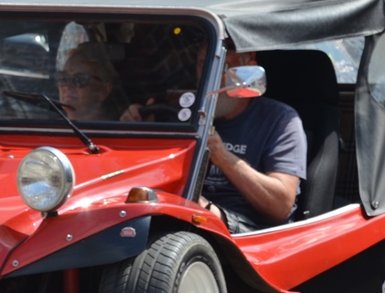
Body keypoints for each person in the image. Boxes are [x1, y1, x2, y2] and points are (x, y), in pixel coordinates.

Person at [122, 40, 307, 233]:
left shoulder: (279, 120)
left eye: (224, 66)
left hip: (251, 230)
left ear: (249, 70)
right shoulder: (184, 112)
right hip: (183, 215)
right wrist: (135, 131)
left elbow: (280, 206)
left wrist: (223, 157)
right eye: (205, 64)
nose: (213, 76)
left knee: (191, 211)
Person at [57, 43, 122, 120]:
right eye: (63, 78)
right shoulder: (50, 125)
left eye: (79, 79)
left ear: (103, 91)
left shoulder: (119, 126)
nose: (67, 86)